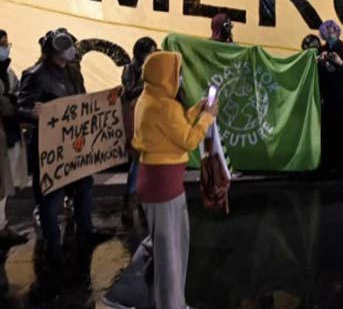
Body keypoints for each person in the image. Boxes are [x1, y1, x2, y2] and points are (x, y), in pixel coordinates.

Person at [104, 51, 217, 309]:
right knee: (169, 253)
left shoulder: (151, 97)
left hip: (160, 183)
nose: (178, 77)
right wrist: (209, 117)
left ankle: (125, 294)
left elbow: (176, 126)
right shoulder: (163, 105)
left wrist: (198, 109)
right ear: (164, 75)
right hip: (162, 186)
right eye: (175, 72)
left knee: (165, 243)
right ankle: (171, 305)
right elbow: (188, 139)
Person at [17, 28, 101, 264]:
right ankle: (52, 245)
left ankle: (86, 231)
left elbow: (82, 100)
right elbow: (22, 109)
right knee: (50, 196)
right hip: (49, 147)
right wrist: (38, 114)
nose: (74, 49)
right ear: (58, 48)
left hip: (74, 144)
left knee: (85, 185)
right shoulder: (35, 75)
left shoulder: (74, 73)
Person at [120, 37, 158, 227]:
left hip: (147, 120)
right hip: (134, 120)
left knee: (145, 163)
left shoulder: (150, 66)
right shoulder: (130, 68)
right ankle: (129, 202)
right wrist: (149, 83)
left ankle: (142, 200)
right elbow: (128, 92)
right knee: (136, 162)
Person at [317, 20, 343, 171]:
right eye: (327, 32)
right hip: (328, 97)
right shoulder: (320, 50)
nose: (330, 34)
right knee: (329, 132)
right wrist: (320, 63)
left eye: (333, 30)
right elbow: (317, 76)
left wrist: (340, 63)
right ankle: (330, 164)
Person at [0, 30, 27, 246]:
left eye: (7, 44)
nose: (5, 48)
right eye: (2, 44)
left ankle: (2, 224)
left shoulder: (8, 72)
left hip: (10, 131)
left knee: (5, 182)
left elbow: (19, 91)